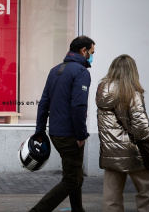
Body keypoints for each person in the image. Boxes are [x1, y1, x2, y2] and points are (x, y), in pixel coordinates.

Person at [30, 35, 95, 212]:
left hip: (55, 133)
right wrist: (81, 135)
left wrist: (40, 131)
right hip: (70, 135)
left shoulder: (55, 70)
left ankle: (77, 209)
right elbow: (78, 106)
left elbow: (44, 103)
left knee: (75, 174)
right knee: (71, 179)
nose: (91, 56)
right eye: (91, 52)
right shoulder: (81, 72)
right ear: (83, 51)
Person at [96, 54, 149, 211]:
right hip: (135, 153)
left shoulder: (102, 91)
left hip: (110, 153)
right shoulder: (132, 92)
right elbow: (140, 129)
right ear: (132, 71)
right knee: (147, 192)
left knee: (111, 198)